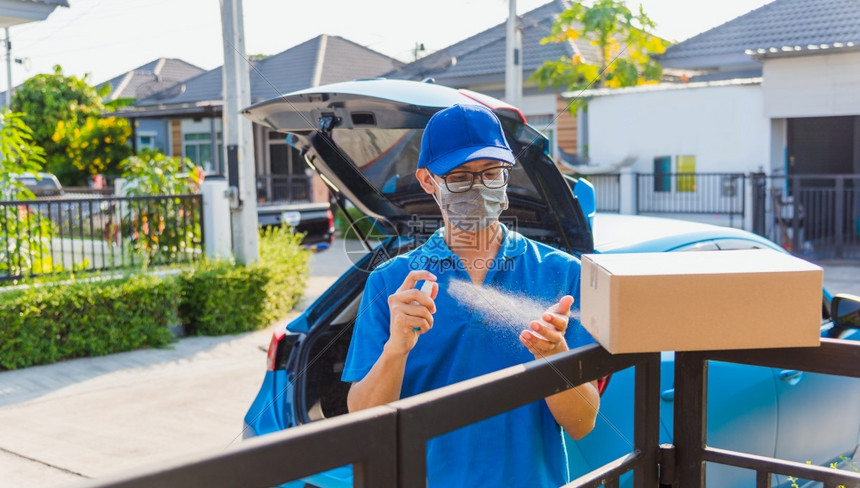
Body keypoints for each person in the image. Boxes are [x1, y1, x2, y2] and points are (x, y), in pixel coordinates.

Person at [341, 103, 599, 487]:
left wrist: (554, 358)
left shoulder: (563, 274)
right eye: (460, 177)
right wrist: (395, 350)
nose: (479, 187)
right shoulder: (391, 284)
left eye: (492, 173)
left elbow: (583, 424)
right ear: (428, 181)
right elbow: (362, 425)